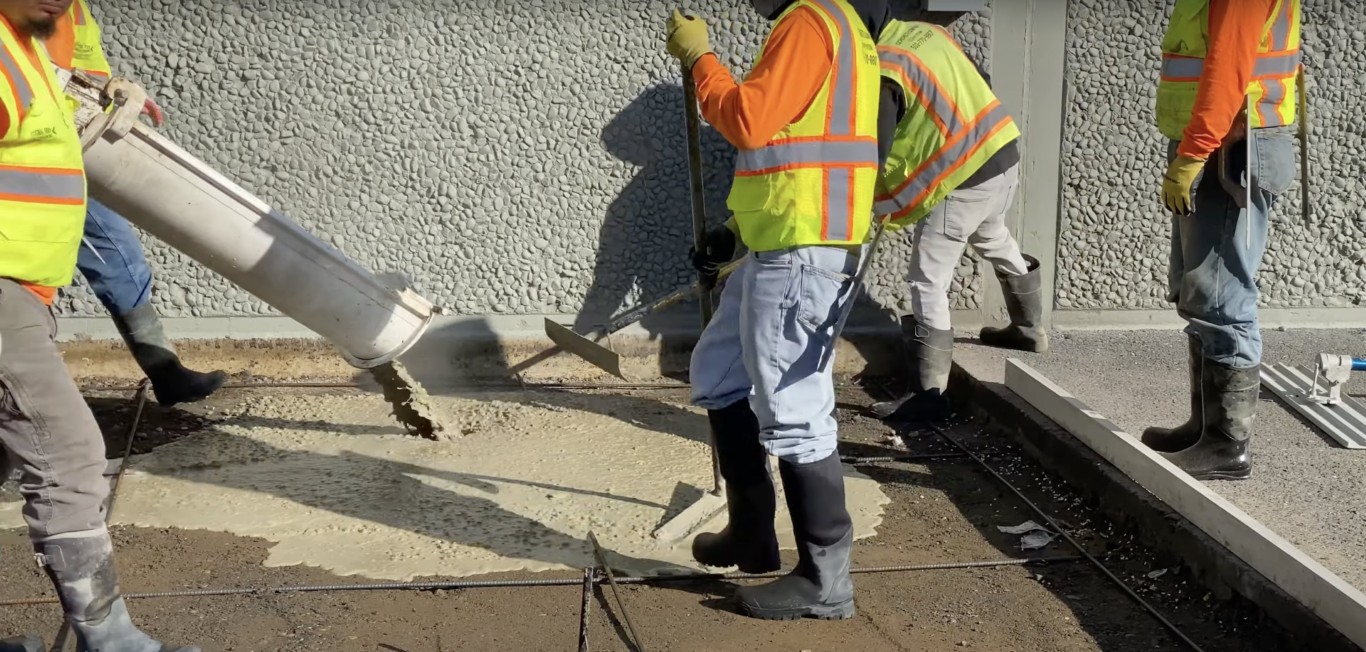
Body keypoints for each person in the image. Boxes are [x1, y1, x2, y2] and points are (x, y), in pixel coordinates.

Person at [666, 0, 881, 621]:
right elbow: (795, 152)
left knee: (793, 407)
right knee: (718, 372)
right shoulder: (839, 28)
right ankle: (750, 534)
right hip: (783, 241)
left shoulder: (810, 22)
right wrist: (735, 232)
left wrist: (700, 59)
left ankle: (824, 580)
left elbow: (748, 120)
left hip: (801, 250)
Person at [0, 1, 199, 649]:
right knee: (68, 452)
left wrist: (101, 90)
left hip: (24, 286)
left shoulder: (23, 43)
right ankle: (110, 641)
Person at [1143, 0, 1300, 481]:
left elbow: (1227, 68)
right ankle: (1205, 429)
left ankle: (1227, 446)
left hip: (1229, 143)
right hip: (1222, 138)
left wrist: (1194, 153)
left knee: (1220, 298)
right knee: (1198, 290)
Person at [864, 15, 1043, 425]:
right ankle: (1029, 329)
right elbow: (980, 79)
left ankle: (929, 396)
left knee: (927, 278)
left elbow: (874, 152)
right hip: (1001, 154)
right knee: (993, 235)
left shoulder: (886, 69)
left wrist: (867, 201)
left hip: (961, 179)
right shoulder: (927, 33)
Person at [49, 0, 227, 408]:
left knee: (117, 254)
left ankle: (166, 372)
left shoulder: (73, 8)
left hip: (72, 144)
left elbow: (81, 64)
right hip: (39, 148)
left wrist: (113, 92)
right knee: (103, 254)